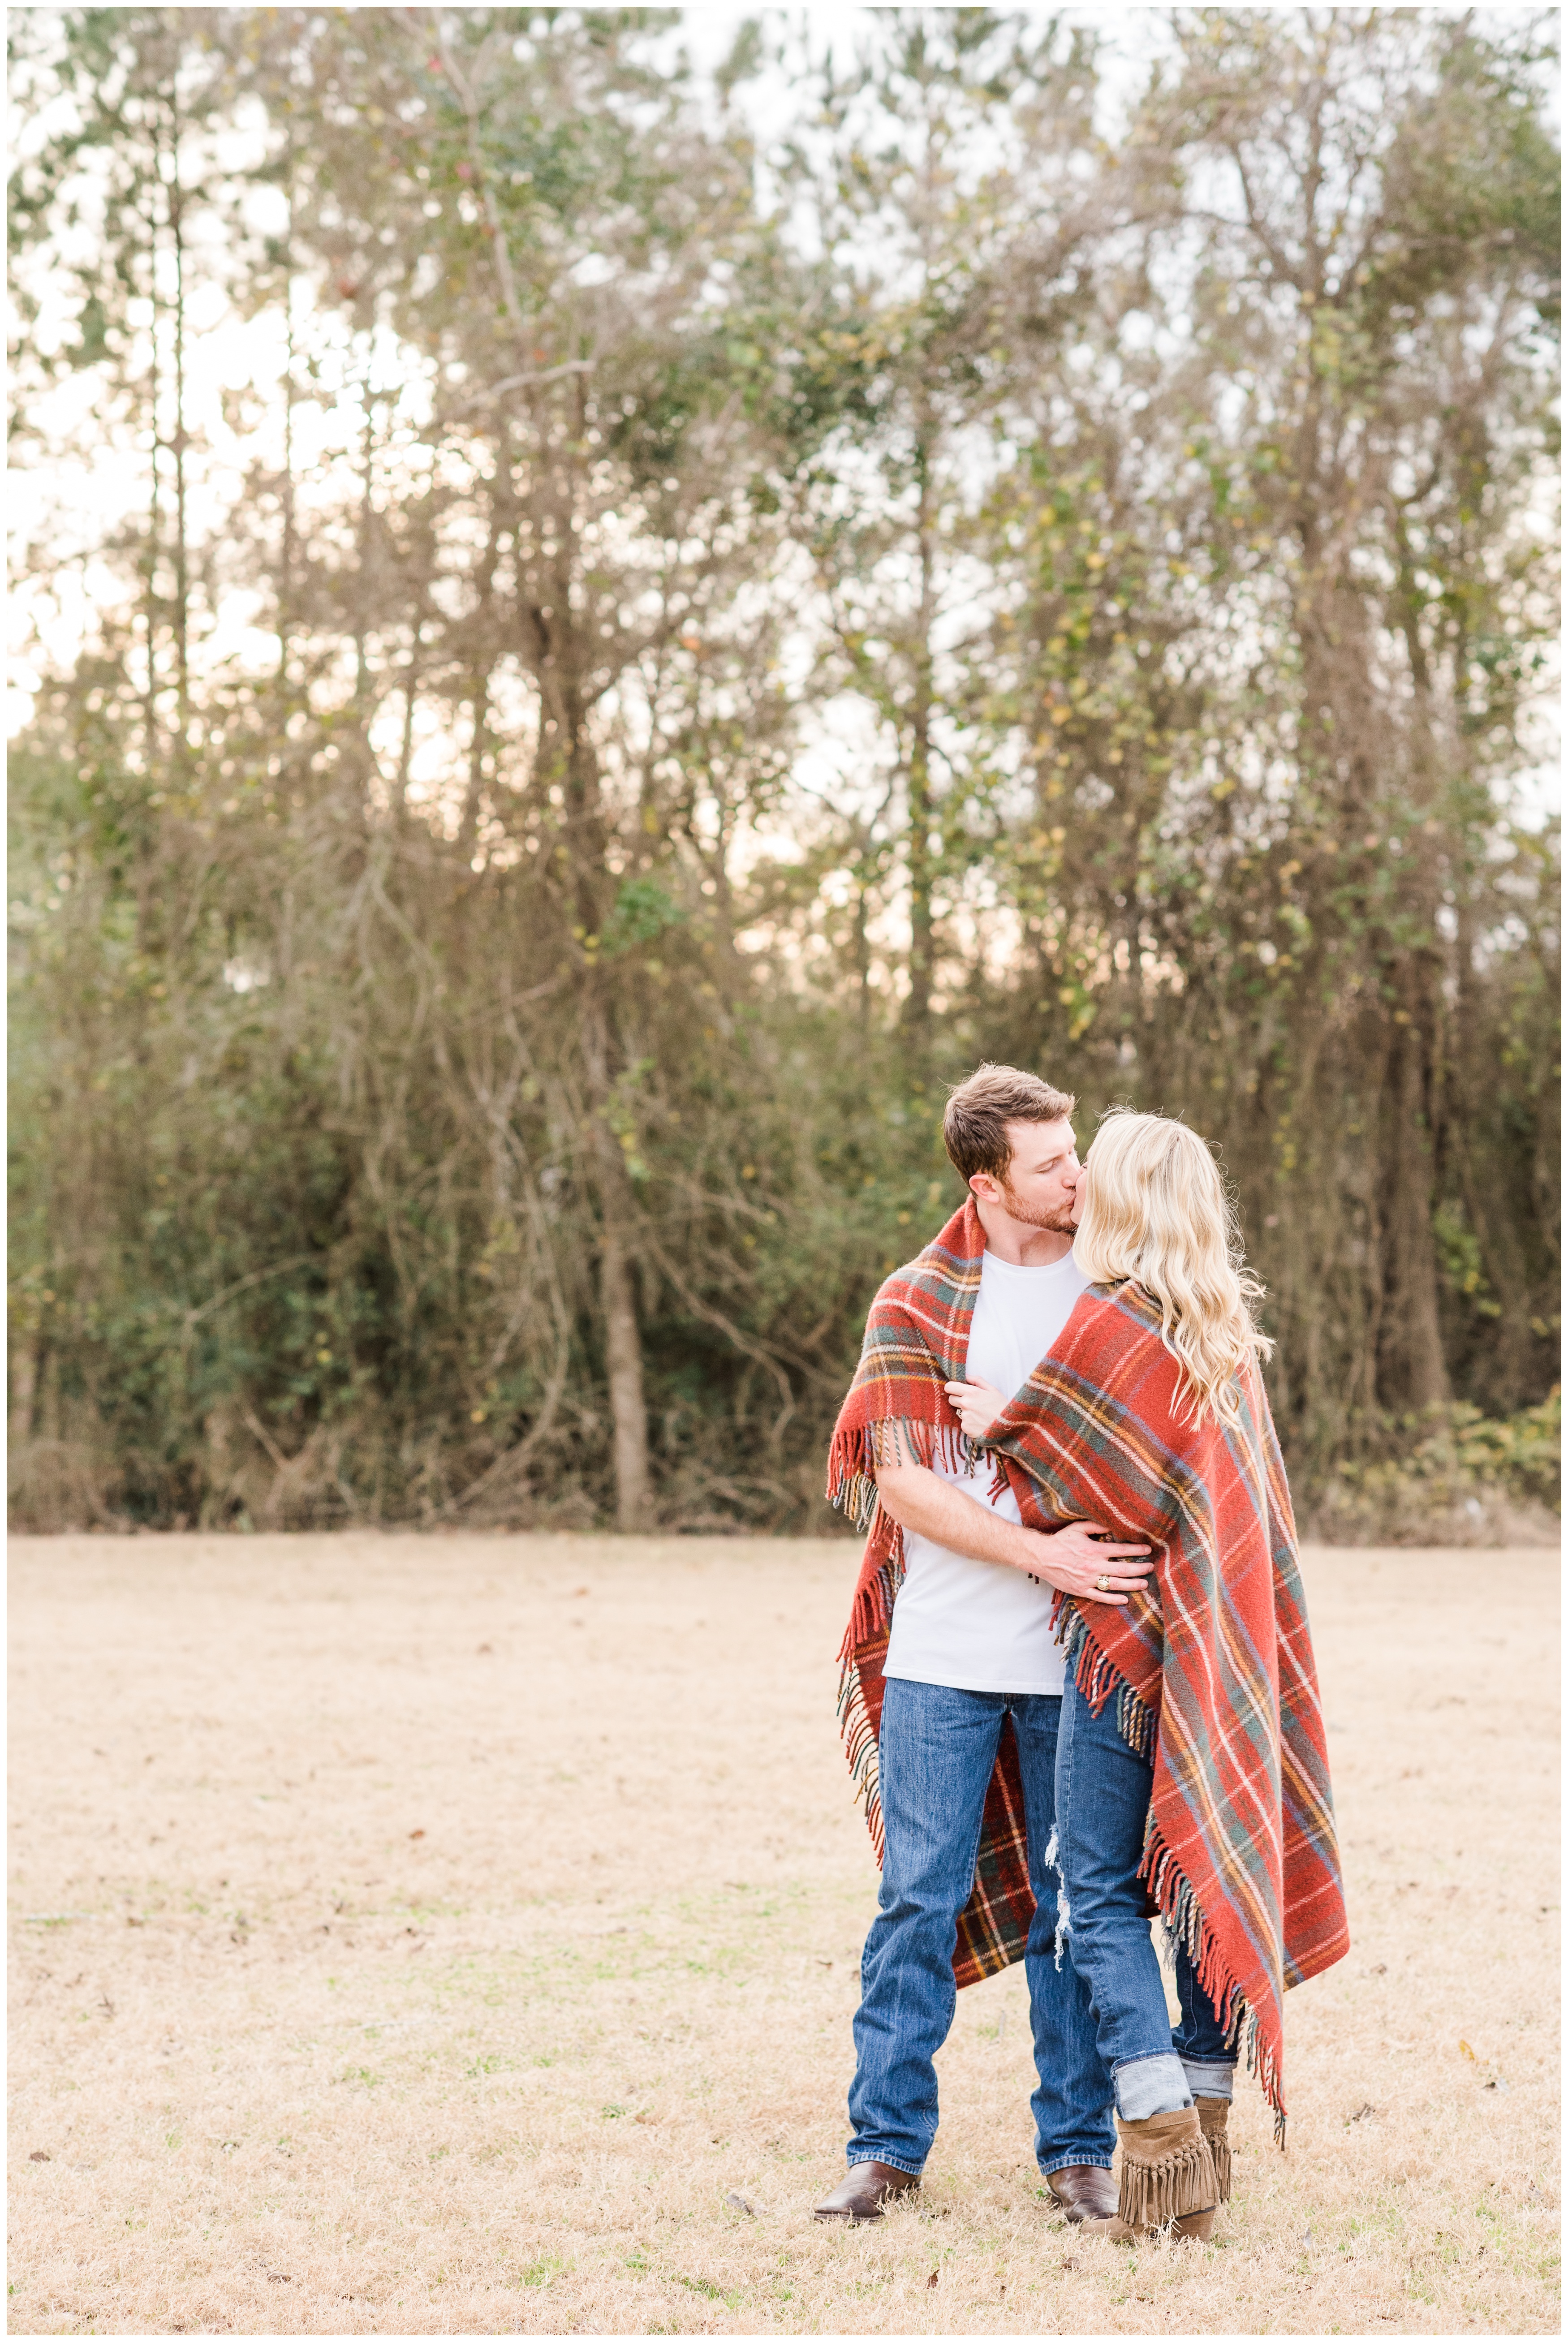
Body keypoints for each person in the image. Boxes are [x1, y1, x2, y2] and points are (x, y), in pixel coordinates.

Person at [948, 1108, 1349, 2241]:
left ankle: (1162, 2130)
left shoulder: (1106, 1324)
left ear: (1123, 1200)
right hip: (1213, 1664)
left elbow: (1079, 1479)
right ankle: (1206, 2123)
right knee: (1193, 1884)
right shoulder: (1225, 1342)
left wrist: (1005, 1426)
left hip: (1122, 1653)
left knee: (1091, 1886)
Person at [816, 1064, 1154, 2227]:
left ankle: (1076, 2150)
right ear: (987, 1181)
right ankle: (883, 2148)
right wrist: (1040, 1552)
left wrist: (1039, 1488)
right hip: (941, 1656)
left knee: (1077, 1906)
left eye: (1076, 1149)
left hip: (1080, 1652)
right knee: (916, 1898)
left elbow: (1147, 1450)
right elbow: (899, 1481)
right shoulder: (913, 1299)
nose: (1078, 1171)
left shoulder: (1113, 1287)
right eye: (1053, 1160)